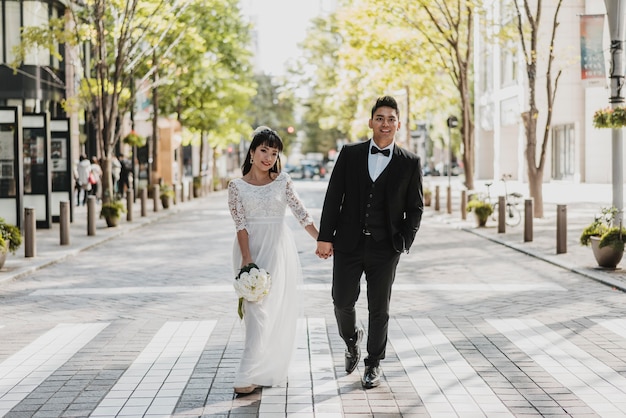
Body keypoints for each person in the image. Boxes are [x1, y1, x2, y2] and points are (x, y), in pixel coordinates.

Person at [316, 96, 423, 389]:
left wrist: (403, 241)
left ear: (398, 124)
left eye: (391, 119)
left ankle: (373, 363)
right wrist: (325, 237)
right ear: (370, 122)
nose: (385, 123)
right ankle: (351, 341)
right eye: (380, 118)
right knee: (341, 301)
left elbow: (415, 207)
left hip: (385, 247)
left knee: (379, 309)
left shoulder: (410, 163)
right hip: (348, 243)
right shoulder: (350, 154)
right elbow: (333, 197)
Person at [227, 126, 319, 395]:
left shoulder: (283, 181)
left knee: (273, 309)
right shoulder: (236, 187)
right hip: (250, 250)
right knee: (255, 311)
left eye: (274, 152)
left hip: (278, 249)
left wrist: (322, 240)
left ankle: (263, 369)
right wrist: (247, 260)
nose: (268, 157)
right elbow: (240, 225)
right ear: (253, 152)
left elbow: (302, 214)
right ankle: (246, 373)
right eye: (264, 150)